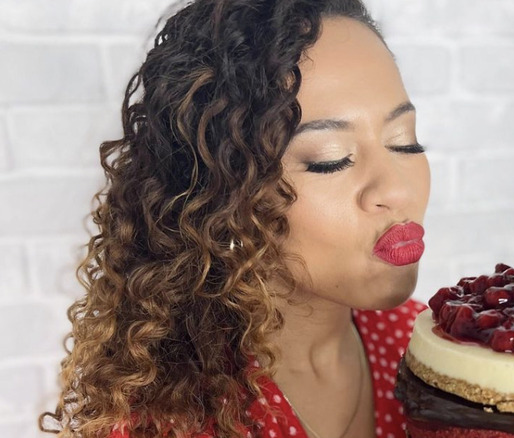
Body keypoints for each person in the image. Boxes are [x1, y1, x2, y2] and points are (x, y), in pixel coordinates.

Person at [39, 0, 431, 437]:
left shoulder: (431, 350)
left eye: (405, 142)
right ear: (225, 197)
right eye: (331, 160)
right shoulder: (174, 417)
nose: (396, 190)